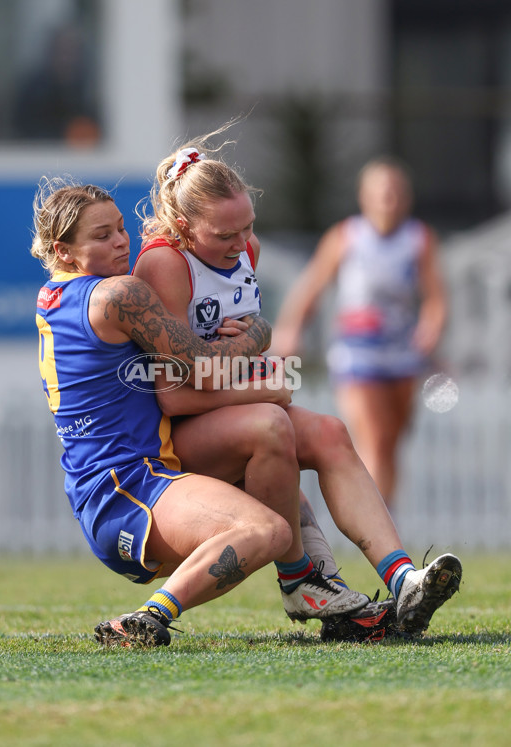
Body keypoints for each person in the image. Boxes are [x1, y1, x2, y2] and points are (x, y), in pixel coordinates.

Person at [131, 134, 461, 639]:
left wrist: (255, 357)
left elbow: (238, 351)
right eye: (224, 235)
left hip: (226, 413)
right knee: (272, 420)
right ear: (182, 227)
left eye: (248, 227)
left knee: (330, 431)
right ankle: (299, 578)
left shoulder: (247, 248)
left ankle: (404, 579)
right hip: (171, 440)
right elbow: (172, 395)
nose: (242, 245)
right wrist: (261, 386)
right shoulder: (164, 264)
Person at [31, 175, 375, 649]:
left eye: (118, 228)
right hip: (128, 491)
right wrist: (259, 332)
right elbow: (202, 367)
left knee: (272, 443)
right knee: (267, 529)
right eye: (101, 235)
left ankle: (323, 588)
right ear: (63, 250)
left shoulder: (57, 296)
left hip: (130, 483)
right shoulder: (118, 294)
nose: (120, 242)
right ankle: (149, 617)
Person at [272, 157, 447, 508]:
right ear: (365, 198)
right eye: (383, 194)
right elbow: (311, 287)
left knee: (391, 443)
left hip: (401, 353)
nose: (390, 202)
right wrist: (290, 329)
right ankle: (379, 539)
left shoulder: (419, 239)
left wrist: (431, 328)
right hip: (356, 353)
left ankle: (385, 521)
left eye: (397, 194)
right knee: (376, 440)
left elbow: (435, 298)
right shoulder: (345, 237)